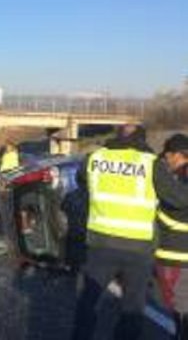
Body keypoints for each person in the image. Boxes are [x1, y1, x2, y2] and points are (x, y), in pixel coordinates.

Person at [71, 126, 188, 340]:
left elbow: (81, 182)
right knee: (132, 307)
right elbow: (179, 199)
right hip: (138, 249)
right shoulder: (150, 163)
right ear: (142, 141)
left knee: (89, 300)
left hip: (101, 244)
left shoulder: (94, 158)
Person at [154, 134, 188, 338]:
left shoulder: (180, 179)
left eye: (167, 156)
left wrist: (155, 212)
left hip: (176, 255)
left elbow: (177, 206)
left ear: (177, 155)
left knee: (181, 311)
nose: (166, 160)